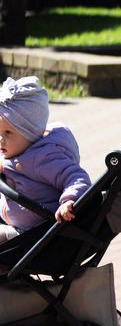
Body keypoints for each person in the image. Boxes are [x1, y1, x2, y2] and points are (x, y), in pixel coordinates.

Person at [0, 77, 91, 243]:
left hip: (33, 234)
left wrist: (69, 201)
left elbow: (77, 177)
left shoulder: (44, 158)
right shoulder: (17, 149)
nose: (1, 139)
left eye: (8, 133)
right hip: (11, 218)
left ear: (29, 132)